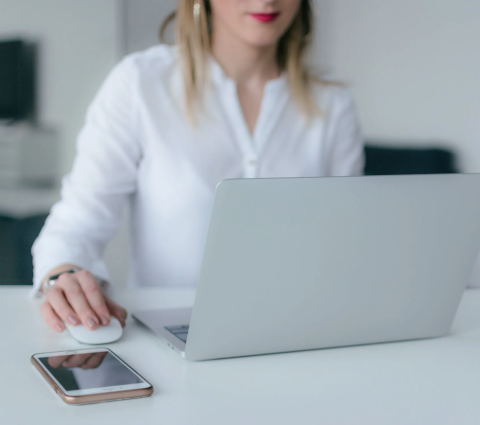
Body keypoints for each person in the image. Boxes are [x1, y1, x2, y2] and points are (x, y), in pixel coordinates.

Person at [32, 0, 364, 333]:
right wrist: (63, 276)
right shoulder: (140, 84)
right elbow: (75, 226)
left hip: (297, 334)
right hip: (173, 335)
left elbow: (346, 247)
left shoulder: (332, 104)